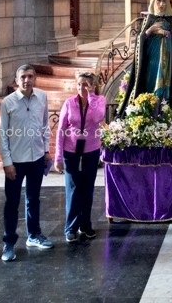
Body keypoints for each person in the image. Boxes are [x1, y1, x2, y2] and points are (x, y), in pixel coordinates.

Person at [0, 64, 54, 261]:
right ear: (16, 80)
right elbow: (2, 134)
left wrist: (46, 150)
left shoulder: (42, 96)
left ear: (35, 78)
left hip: (36, 158)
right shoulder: (8, 102)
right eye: (23, 77)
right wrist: (7, 162)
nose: (26, 80)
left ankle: (34, 235)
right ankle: (9, 243)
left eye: (30, 76)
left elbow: (45, 125)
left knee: (33, 199)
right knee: (12, 203)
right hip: (16, 161)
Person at [117, 0, 172, 120]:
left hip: (168, 61)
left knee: (165, 85)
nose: (161, 4)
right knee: (151, 83)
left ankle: (165, 112)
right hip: (151, 60)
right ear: (153, 3)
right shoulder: (146, 21)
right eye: (158, 1)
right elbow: (140, 41)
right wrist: (151, 30)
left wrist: (165, 33)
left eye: (164, 1)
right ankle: (151, 111)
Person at [54, 72, 107, 243]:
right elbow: (61, 130)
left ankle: (85, 225)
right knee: (73, 189)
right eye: (79, 84)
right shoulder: (69, 103)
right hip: (71, 152)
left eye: (85, 84)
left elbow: (97, 117)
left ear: (93, 86)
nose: (81, 87)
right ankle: (71, 227)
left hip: (91, 151)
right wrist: (58, 157)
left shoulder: (100, 101)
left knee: (87, 189)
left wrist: (91, 96)